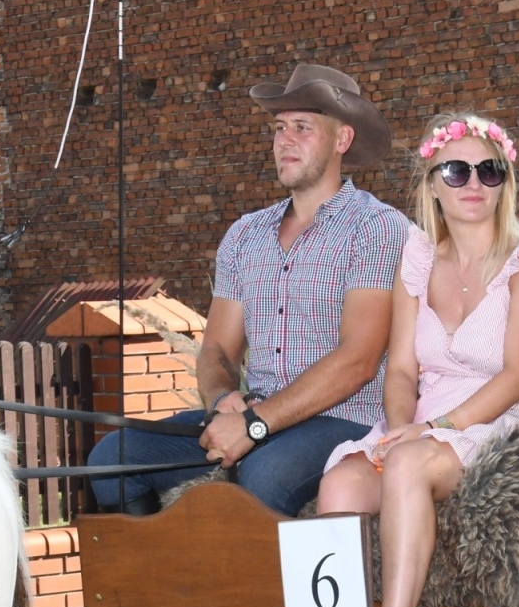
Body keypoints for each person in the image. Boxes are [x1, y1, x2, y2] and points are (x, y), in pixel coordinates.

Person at [316, 114, 519, 607]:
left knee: (408, 463)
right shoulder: (418, 260)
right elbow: (402, 367)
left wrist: (436, 428)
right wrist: (399, 427)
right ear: (432, 183)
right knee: (342, 483)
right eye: (456, 171)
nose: (474, 183)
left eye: (489, 170)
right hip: (422, 418)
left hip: (498, 419)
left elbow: (518, 374)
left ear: (506, 181)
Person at [87, 63, 408, 516]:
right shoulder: (245, 235)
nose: (285, 140)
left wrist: (256, 425)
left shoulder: (378, 228)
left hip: (343, 420)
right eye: (279, 128)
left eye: (302, 127)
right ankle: (161, 581)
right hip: (255, 415)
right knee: (112, 458)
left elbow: (358, 360)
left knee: (264, 474)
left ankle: (250, 586)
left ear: (342, 140)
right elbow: (217, 348)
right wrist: (222, 400)